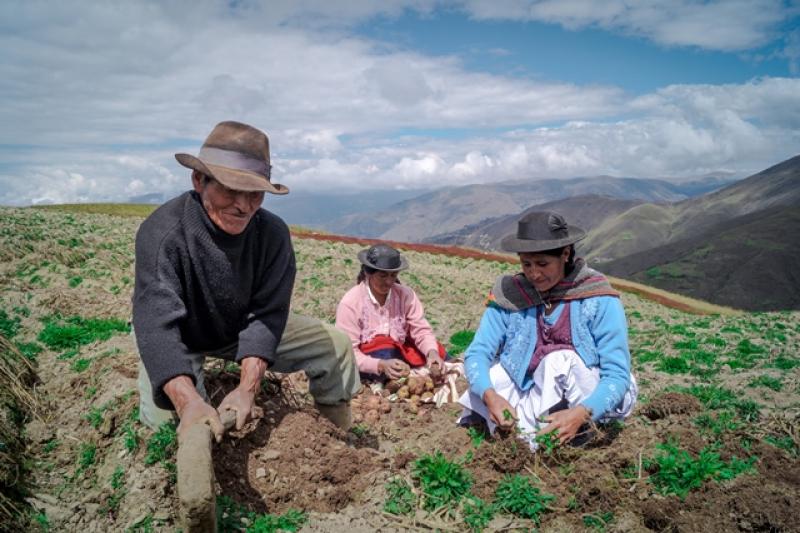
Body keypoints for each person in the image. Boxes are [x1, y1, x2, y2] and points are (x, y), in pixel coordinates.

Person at [132, 121, 359, 442]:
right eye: (230, 189)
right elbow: (157, 328)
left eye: (255, 193)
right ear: (199, 180)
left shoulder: (272, 235)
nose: (244, 205)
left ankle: (337, 442)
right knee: (166, 430)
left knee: (335, 346)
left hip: (238, 328)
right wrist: (188, 402)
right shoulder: (163, 234)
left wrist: (246, 389)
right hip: (180, 336)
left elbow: (267, 315)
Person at [459, 211, 637, 449]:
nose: (534, 274)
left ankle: (586, 430)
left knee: (558, 360)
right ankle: (527, 434)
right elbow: (478, 353)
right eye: (526, 264)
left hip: (588, 393)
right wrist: (490, 396)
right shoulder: (511, 295)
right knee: (491, 376)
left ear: (565, 254)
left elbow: (617, 374)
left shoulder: (597, 297)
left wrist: (581, 413)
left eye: (543, 264)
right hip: (535, 388)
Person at [335, 244, 446, 382]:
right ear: (367, 273)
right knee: (386, 352)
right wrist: (380, 365)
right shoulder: (351, 302)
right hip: (370, 360)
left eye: (393, 275)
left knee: (441, 356)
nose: (389, 282)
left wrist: (432, 353)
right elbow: (348, 352)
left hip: (399, 352)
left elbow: (421, 330)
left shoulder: (406, 295)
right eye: (382, 276)